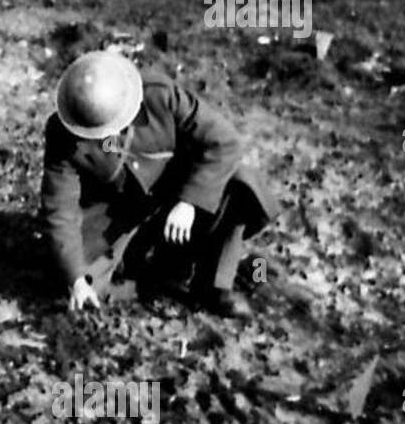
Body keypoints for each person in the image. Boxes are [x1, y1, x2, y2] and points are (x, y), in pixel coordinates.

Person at [40, 50, 277, 318]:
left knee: (241, 184)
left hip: (177, 191)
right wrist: (76, 279)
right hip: (118, 210)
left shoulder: (160, 95)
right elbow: (60, 210)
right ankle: (152, 276)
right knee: (76, 283)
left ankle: (215, 285)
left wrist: (189, 202)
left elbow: (224, 142)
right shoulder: (63, 133)